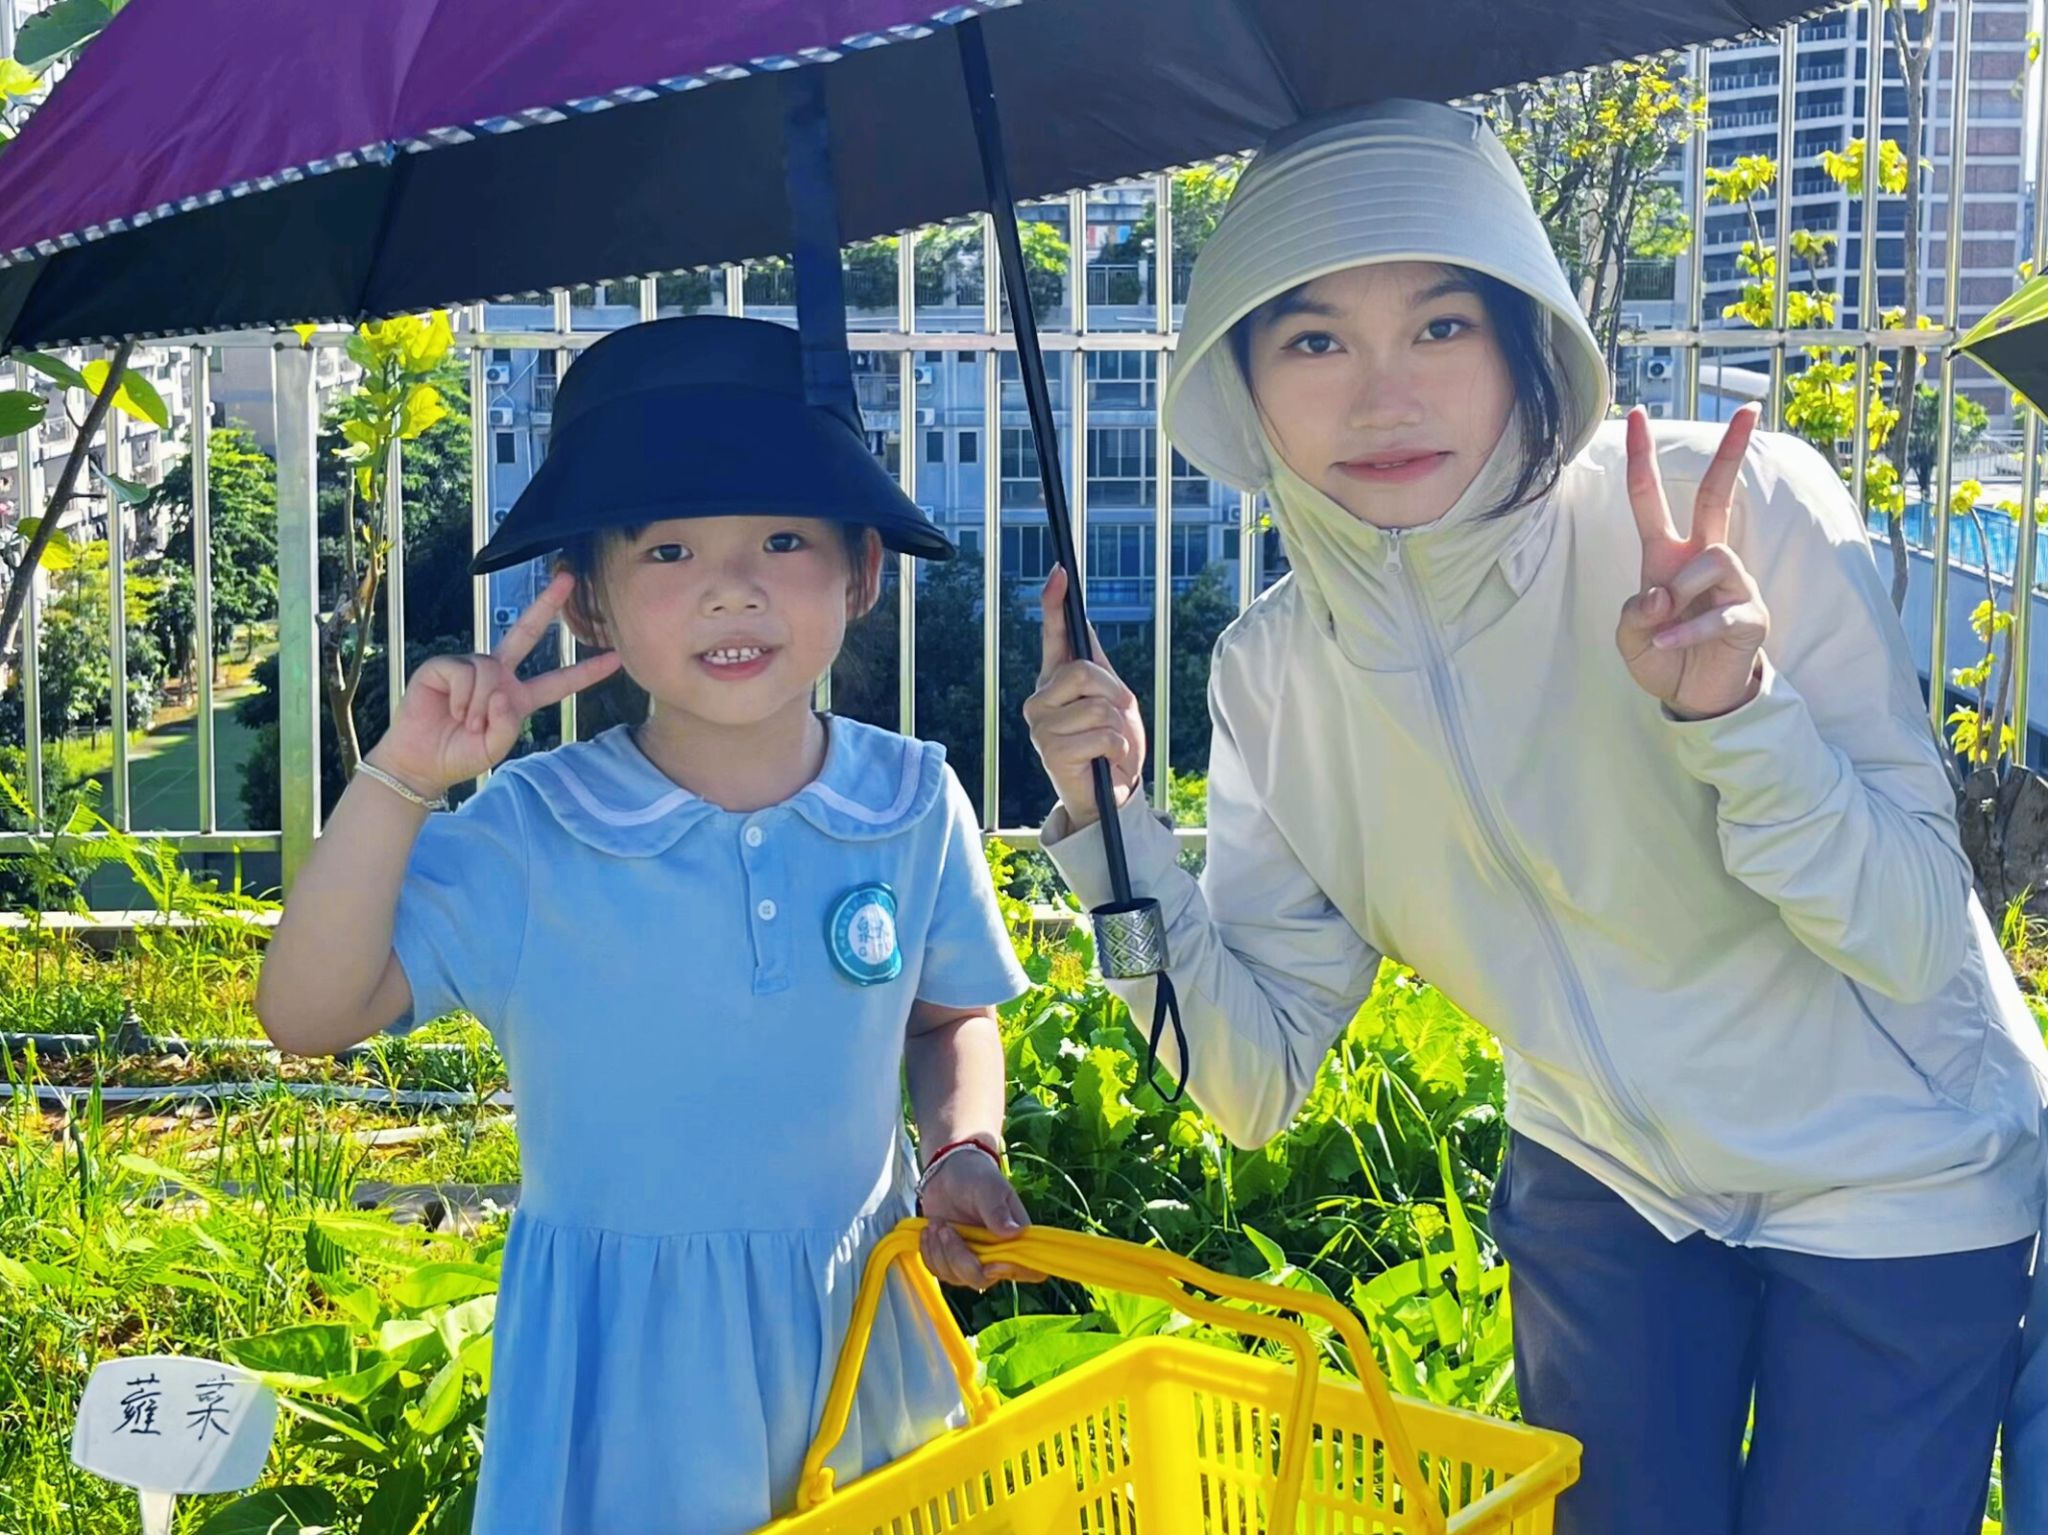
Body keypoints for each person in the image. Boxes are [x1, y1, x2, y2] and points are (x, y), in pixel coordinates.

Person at [1025, 99, 2048, 1532]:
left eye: (1440, 326)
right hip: (1602, 1174)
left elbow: (1911, 935)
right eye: (1313, 341)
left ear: (1527, 345)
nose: (1383, 397)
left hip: (1898, 1163)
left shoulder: (1727, 516)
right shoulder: (1271, 671)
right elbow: (1245, 1077)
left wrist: (1737, 716)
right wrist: (1111, 838)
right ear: (1239, 382)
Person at [258, 316, 1034, 1533]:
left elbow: (946, 1020)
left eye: (783, 537)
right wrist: (403, 776)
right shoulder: (538, 830)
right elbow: (307, 1012)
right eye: (669, 548)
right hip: (627, 1378)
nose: (733, 585)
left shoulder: (908, 800)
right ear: (591, 608)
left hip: (864, 1327)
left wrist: (959, 1151)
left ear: (862, 571)